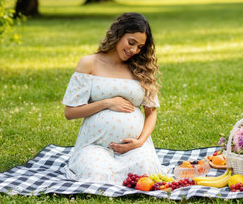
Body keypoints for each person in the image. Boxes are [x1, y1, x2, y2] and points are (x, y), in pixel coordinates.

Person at [61, 12, 167, 185]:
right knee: (96, 174)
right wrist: (107, 103)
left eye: (140, 46)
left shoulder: (140, 68)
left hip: (134, 146)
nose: (134, 50)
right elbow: (70, 112)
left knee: (146, 171)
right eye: (131, 42)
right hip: (96, 146)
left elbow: (151, 112)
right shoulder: (90, 63)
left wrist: (140, 142)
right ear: (118, 34)